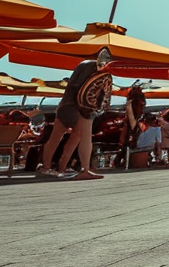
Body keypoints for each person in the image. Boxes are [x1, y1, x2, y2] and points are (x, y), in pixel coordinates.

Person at [39, 51, 114, 180]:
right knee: (80, 137)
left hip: (68, 104)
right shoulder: (93, 67)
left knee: (58, 136)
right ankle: (80, 168)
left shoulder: (84, 65)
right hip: (81, 106)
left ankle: (48, 167)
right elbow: (86, 90)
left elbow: (76, 86)